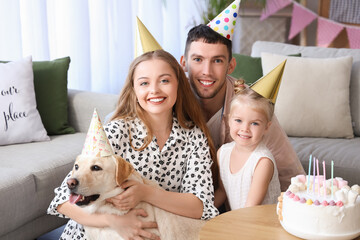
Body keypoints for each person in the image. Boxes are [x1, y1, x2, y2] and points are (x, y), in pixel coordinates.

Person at [48, 50, 219, 240]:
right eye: (144, 83)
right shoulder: (116, 132)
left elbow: (199, 206)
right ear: (134, 90)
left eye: (164, 80)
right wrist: (112, 221)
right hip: (96, 232)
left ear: (178, 84)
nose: (154, 90)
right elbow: (62, 200)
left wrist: (145, 192)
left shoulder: (194, 137)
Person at [180, 24, 305, 191]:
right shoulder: (173, 99)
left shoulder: (251, 106)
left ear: (230, 66)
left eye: (217, 60)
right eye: (198, 59)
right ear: (184, 63)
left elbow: (289, 173)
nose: (207, 71)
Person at [214, 79, 281, 210]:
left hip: (258, 224)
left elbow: (250, 209)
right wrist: (202, 213)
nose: (245, 129)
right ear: (229, 120)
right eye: (238, 120)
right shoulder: (222, 153)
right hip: (238, 220)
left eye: (254, 123)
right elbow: (222, 192)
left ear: (266, 127)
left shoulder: (262, 162)